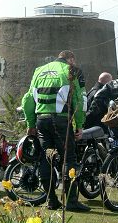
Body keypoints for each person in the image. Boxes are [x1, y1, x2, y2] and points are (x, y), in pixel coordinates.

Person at [22, 50, 90, 212]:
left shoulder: (39, 70)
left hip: (41, 120)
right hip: (61, 119)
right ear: (70, 59)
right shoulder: (71, 71)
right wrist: (80, 124)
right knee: (69, 159)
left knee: (46, 158)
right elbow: (79, 99)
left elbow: (28, 99)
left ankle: (51, 200)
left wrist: (31, 123)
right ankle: (71, 200)